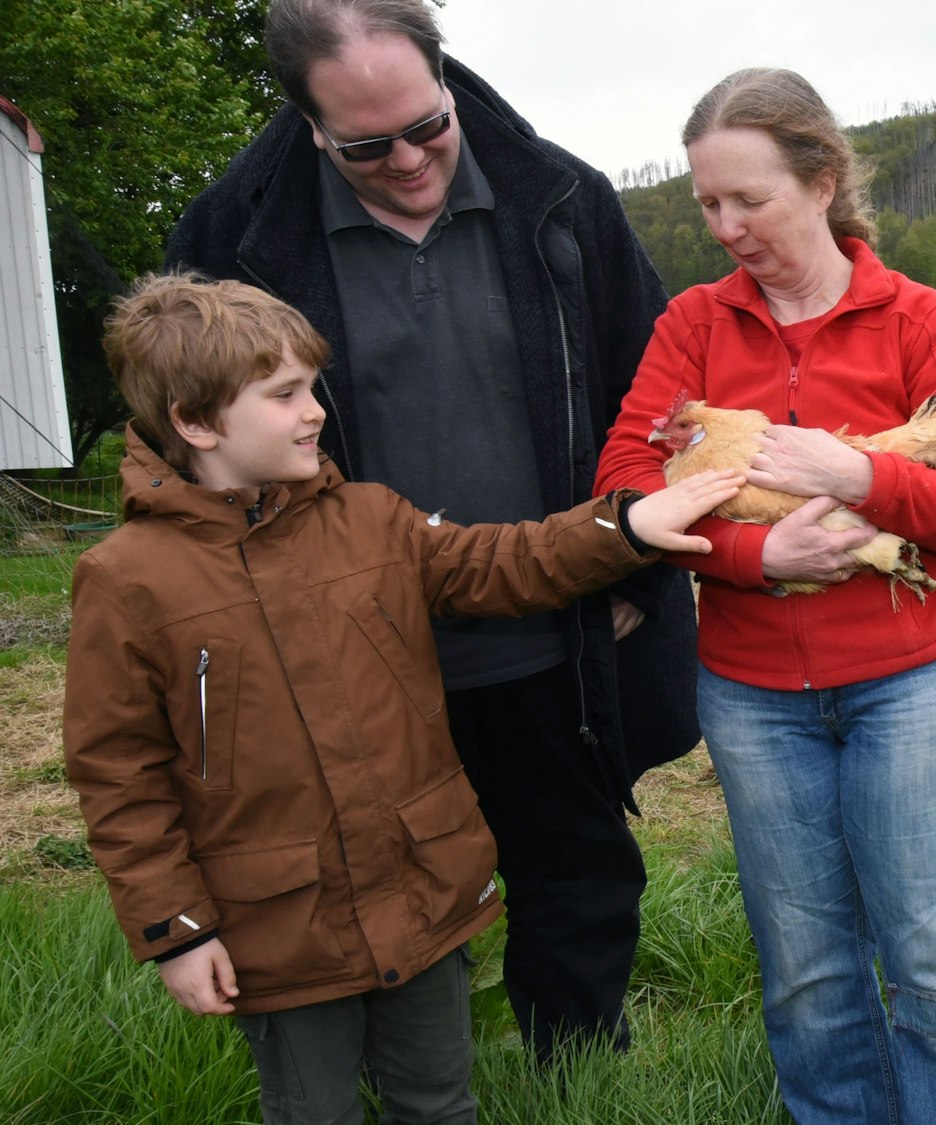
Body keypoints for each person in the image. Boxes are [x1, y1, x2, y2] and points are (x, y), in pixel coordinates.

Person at [64, 274, 741, 1124]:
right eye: (283, 395)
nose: (314, 410)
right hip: (279, 926)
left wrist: (628, 524)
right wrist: (178, 929)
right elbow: (118, 773)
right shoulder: (126, 579)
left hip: (422, 898)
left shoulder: (373, 520)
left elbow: (506, 561)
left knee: (438, 1102)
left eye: (313, 385)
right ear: (196, 422)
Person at [162, 0, 698, 1063]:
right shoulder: (232, 241)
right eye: (366, 146)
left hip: (559, 617)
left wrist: (632, 577)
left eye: (428, 125)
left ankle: (576, 1069)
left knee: (575, 863)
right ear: (307, 125)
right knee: (378, 882)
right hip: (352, 647)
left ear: (446, 79)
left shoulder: (563, 199)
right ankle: (413, 1080)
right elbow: (183, 439)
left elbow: (659, 395)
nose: (409, 160)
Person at [593, 68, 936, 1125]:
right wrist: (754, 557)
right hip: (752, 696)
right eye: (707, 203)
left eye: (751, 199)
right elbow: (622, 488)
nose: (725, 226)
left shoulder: (915, 318)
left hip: (909, 685)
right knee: (803, 970)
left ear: (822, 180)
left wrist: (856, 478)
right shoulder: (694, 325)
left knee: (934, 962)